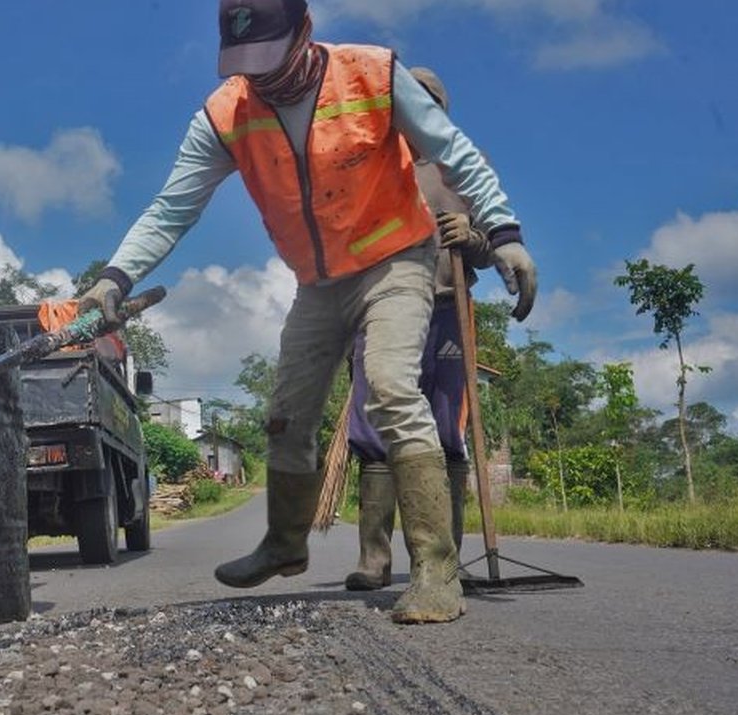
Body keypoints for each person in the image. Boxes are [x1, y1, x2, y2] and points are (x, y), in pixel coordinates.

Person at [79, 0, 536, 624]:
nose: (261, 78)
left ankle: (434, 568)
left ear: (305, 33)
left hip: (397, 259)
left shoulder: (371, 74)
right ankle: (285, 543)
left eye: (271, 59)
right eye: (246, 65)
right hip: (319, 282)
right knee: (285, 414)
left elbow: (455, 151)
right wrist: (114, 277)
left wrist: (505, 234)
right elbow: (171, 209)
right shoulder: (225, 115)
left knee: (392, 389)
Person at [343, 67, 500, 591]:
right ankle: (375, 559)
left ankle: (443, 558)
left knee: (445, 428)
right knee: (375, 430)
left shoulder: (465, 169)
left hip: (447, 305)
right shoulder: (369, 169)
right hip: (381, 309)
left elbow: (496, 241)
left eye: (427, 100)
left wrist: (473, 239)